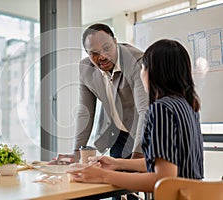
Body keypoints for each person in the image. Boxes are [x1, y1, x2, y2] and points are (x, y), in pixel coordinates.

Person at [68, 39, 204, 194]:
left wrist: (103, 175)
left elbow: (164, 179)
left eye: (143, 67)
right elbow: (166, 164)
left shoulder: (161, 109)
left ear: (153, 72)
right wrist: (117, 163)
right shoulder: (188, 106)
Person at [71, 23, 148, 162]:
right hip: (119, 134)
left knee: (139, 178)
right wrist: (76, 152)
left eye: (106, 48)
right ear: (87, 53)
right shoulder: (85, 69)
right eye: (94, 53)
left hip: (144, 132)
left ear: (115, 42)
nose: (102, 57)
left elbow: (145, 110)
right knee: (116, 180)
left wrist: (138, 154)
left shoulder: (136, 61)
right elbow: (85, 112)